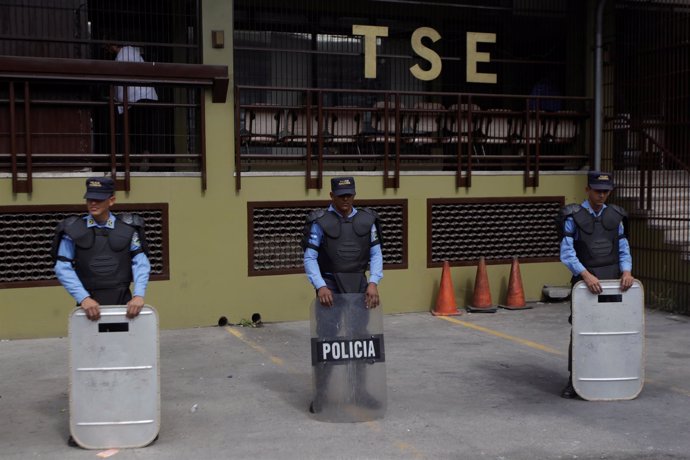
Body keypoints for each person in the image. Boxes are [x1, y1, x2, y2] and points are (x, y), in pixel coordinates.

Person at [302, 176, 383, 413]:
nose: (346, 200)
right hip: (330, 284)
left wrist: (374, 282)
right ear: (331, 196)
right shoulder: (320, 222)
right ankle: (322, 394)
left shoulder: (367, 221)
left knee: (361, 340)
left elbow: (376, 254)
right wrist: (320, 286)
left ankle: (360, 392)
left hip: (359, 283)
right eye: (341, 195)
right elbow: (310, 257)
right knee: (327, 341)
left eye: (350, 195)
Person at [557, 170, 634, 399]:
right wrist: (585, 275)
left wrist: (627, 271)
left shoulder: (615, 216)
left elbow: (623, 248)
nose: (602, 195)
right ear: (587, 189)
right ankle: (574, 380)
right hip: (585, 285)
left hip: (613, 283)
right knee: (582, 331)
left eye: (606, 191)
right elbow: (567, 253)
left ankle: (610, 374)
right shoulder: (573, 216)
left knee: (613, 329)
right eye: (598, 190)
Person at [53, 177, 151, 321]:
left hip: (124, 304)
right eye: (89, 199)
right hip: (88, 306)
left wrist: (138, 295)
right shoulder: (73, 230)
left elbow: (140, 262)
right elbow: (62, 267)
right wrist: (83, 298)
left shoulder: (128, 228)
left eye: (98, 199)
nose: (93, 203)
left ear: (111, 200)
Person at [106, 43, 160, 171]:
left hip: (139, 98)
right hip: (139, 99)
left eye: (107, 47)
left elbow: (121, 76)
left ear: (113, 45)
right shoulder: (128, 53)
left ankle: (141, 158)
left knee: (137, 131)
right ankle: (141, 158)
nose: (107, 50)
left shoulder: (125, 52)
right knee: (139, 131)